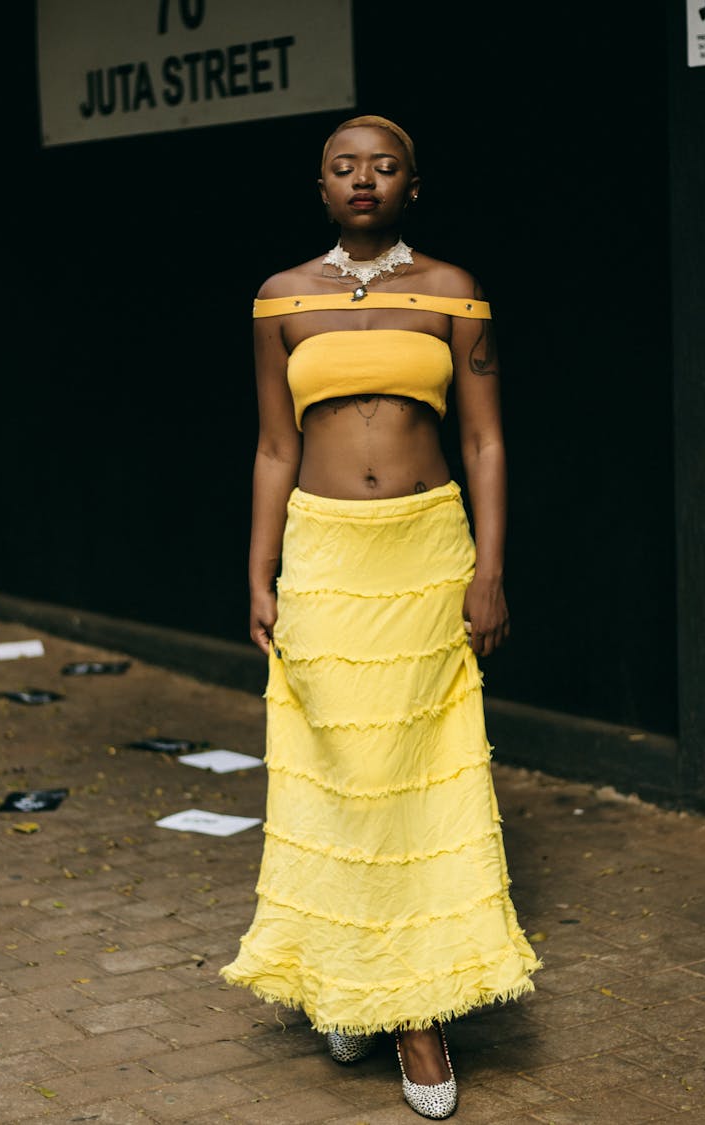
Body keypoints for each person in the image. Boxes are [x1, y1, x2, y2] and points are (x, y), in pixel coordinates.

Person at [220, 113, 541, 1120]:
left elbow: (486, 441)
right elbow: (276, 446)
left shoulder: (452, 290)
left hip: (424, 553)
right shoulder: (281, 299)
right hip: (323, 552)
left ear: (412, 183)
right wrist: (260, 565)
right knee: (336, 771)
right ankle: (345, 977)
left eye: (384, 165)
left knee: (415, 777)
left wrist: (490, 568)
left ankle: (418, 1016)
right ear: (320, 188)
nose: (364, 179)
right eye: (343, 166)